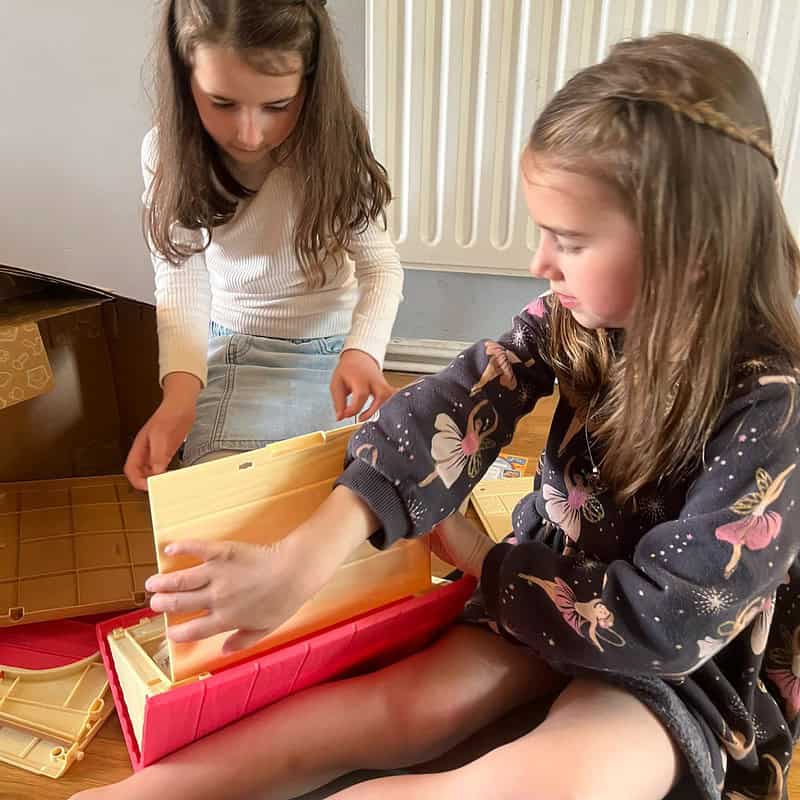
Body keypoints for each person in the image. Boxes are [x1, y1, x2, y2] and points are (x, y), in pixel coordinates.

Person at [79, 32, 799, 800]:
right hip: (550, 589)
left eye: (570, 240)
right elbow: (455, 403)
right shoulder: (573, 316)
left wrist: (485, 563)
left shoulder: (772, 405)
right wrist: (309, 553)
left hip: (674, 664)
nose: (540, 263)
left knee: (536, 778)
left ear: (690, 252)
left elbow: (669, 623)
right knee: (401, 708)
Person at [124, 0, 403, 489]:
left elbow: (380, 267)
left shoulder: (337, 145)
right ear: (185, 76)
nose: (250, 135)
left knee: (355, 496)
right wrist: (179, 396)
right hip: (236, 350)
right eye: (222, 103)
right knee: (221, 494)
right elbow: (180, 277)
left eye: (277, 106)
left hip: (336, 353)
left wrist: (363, 353)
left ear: (310, 84)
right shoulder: (164, 151)